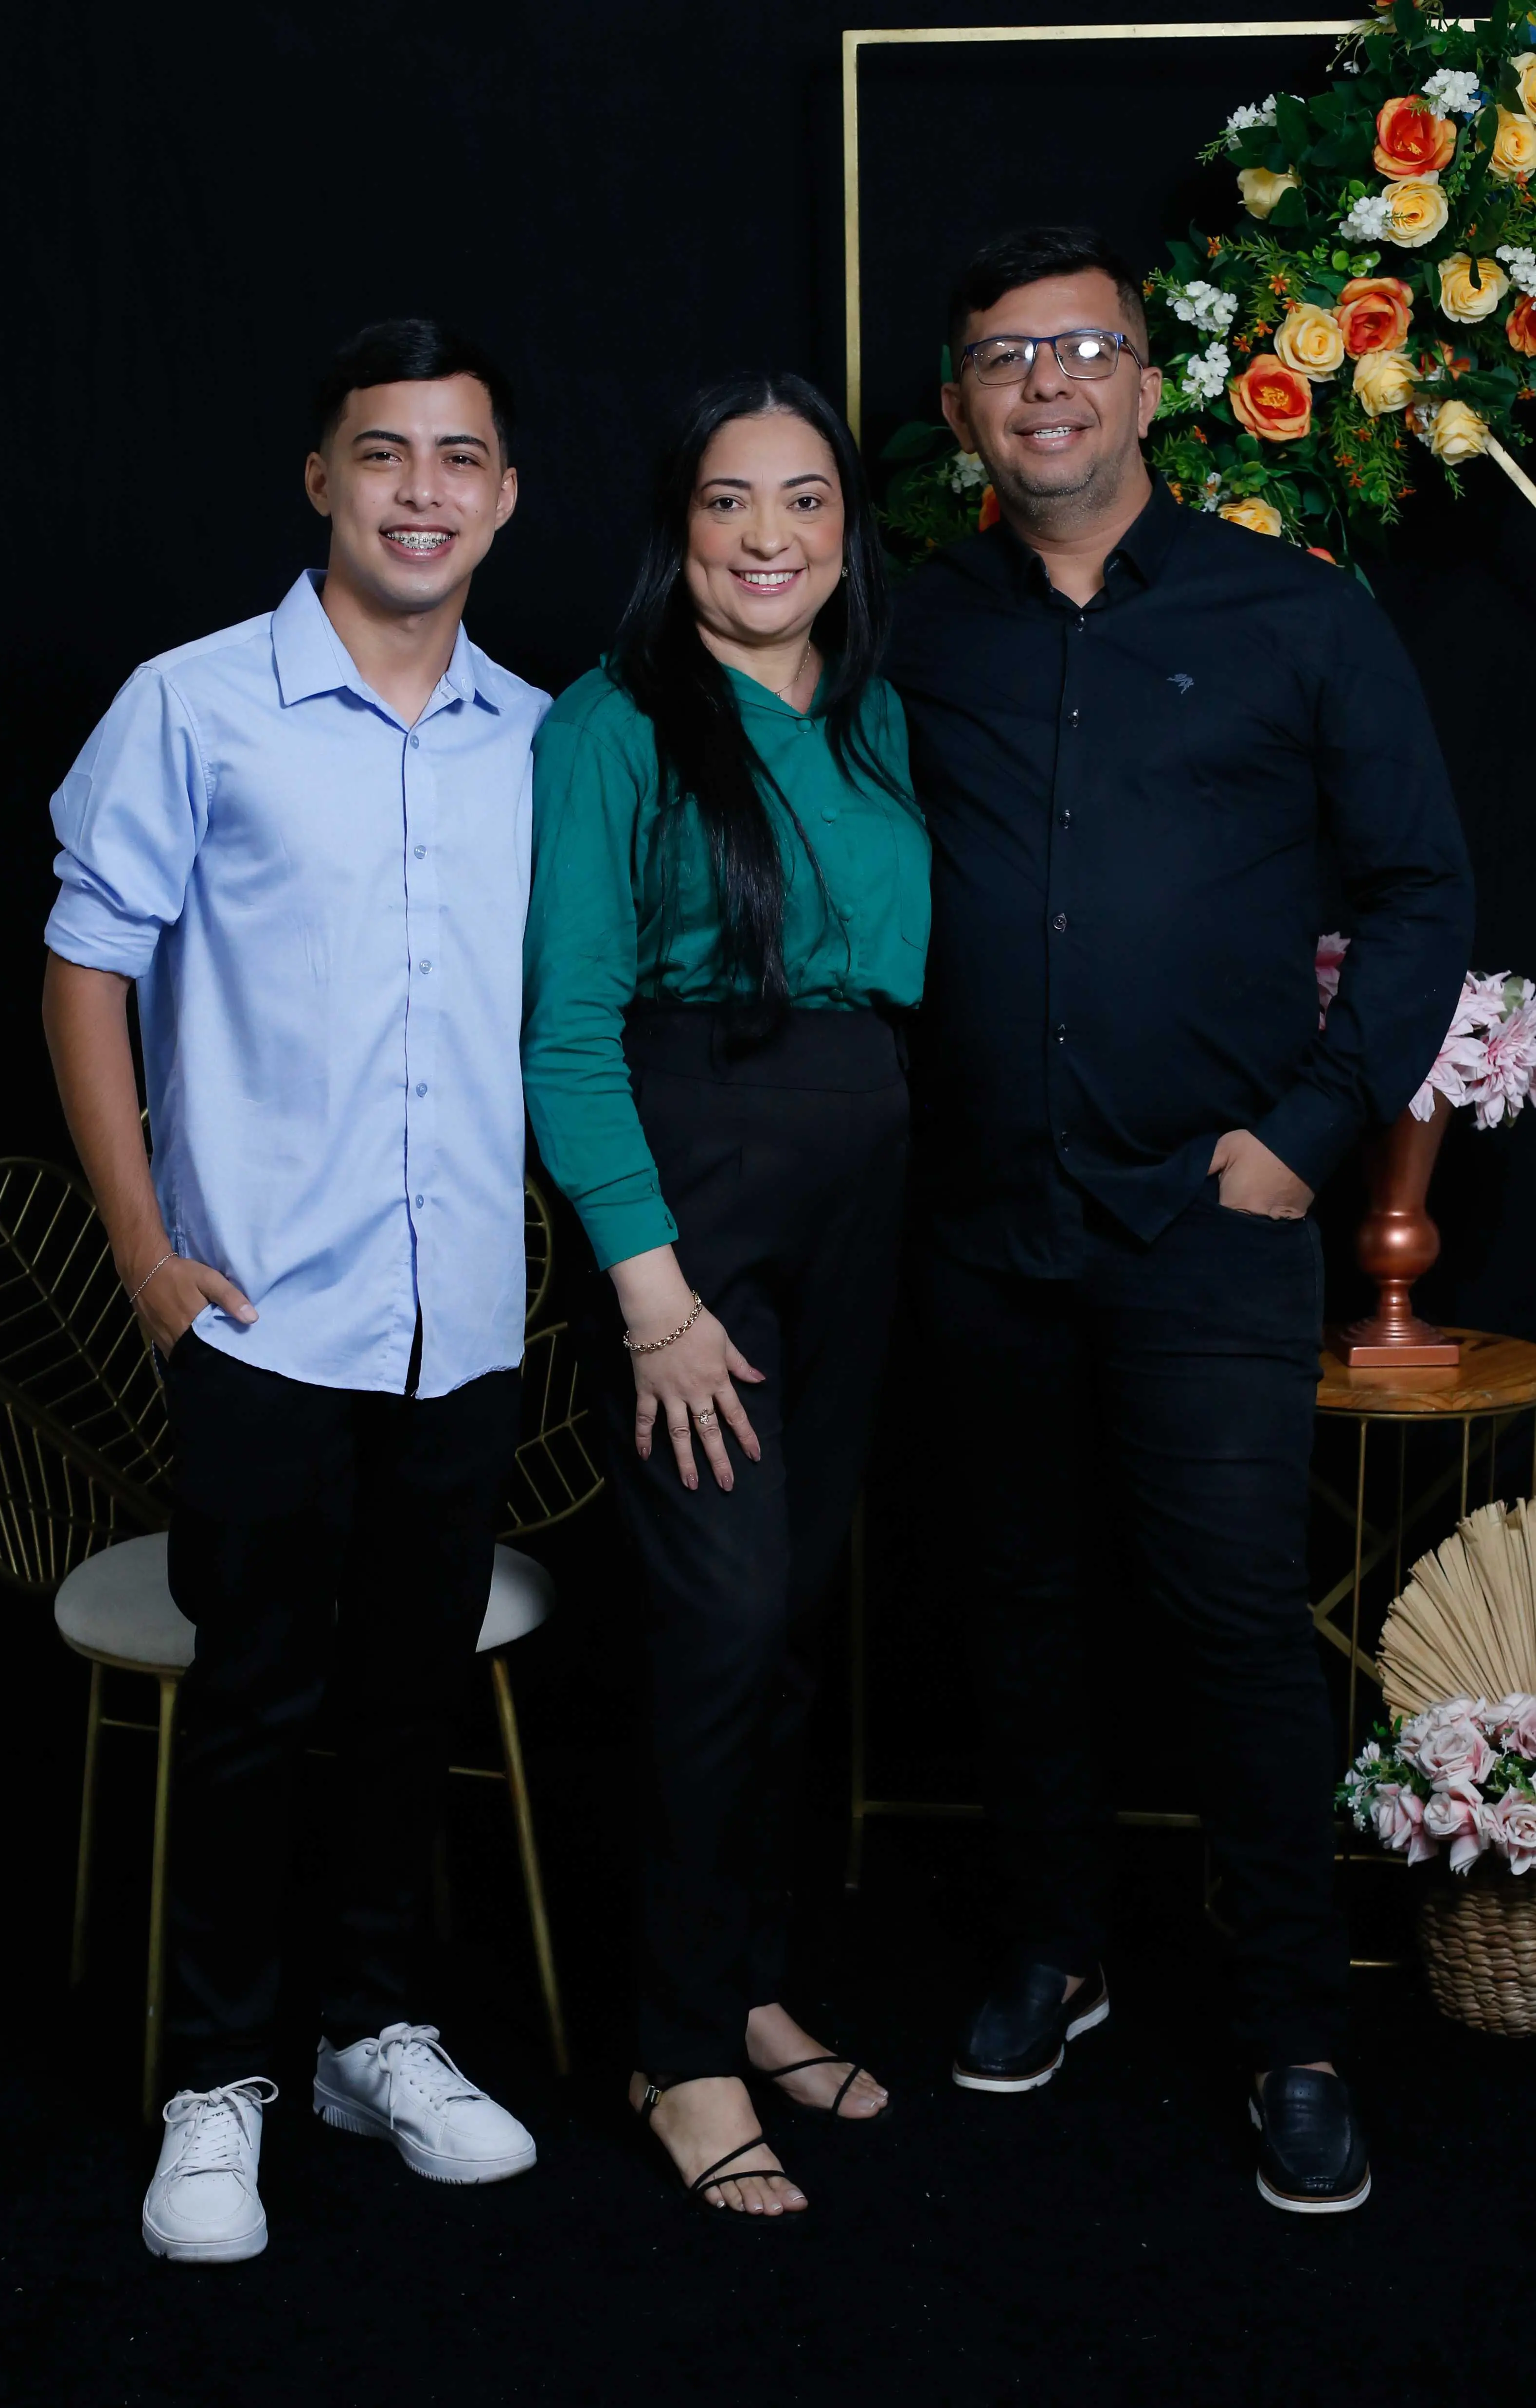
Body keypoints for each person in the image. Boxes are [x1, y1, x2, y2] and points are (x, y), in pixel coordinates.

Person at [887, 226, 1473, 2214]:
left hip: (1214, 1217)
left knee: (1230, 1622)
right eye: (1003, 358)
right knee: (1020, 1611)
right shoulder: (913, 623)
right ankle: (1057, 1953)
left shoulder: (1297, 613)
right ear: (962, 406)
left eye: (1084, 350)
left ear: (1150, 384)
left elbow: (1420, 891)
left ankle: (1300, 2032)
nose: (1046, 383)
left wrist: (1309, 1133)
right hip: (978, 1219)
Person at [42, 319, 548, 2264]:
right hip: (260, 1311)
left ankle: (375, 2033)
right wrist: (148, 1255)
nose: (421, 489)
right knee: (256, 1700)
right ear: (323, 482)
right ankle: (217, 2079)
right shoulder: (193, 706)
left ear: (504, 498)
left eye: (459, 458)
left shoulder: (542, 735)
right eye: (382, 454)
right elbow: (88, 967)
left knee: (405, 1699)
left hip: (466, 1320)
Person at [522, 373, 929, 2220]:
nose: (767, 538)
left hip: (859, 1183)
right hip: (695, 1188)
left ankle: (745, 1984)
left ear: (848, 532)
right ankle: (676, 2053)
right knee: (714, 1617)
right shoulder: (610, 726)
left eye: (806, 503)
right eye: (725, 503)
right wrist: (655, 1293)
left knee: (788, 1626)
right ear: (673, 527)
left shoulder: (875, 719)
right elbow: (564, 1031)